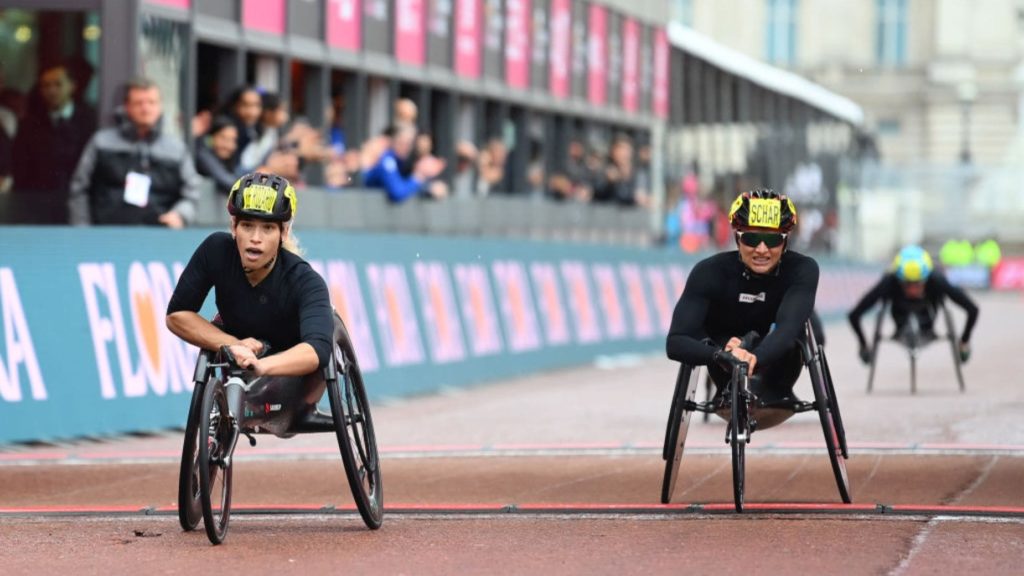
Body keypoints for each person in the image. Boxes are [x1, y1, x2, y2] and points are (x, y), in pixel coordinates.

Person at [165, 172, 335, 436]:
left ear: (283, 232)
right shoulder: (216, 251)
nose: (256, 238)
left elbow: (317, 351)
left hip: (290, 370)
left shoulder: (305, 280)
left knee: (328, 328)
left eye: (267, 228)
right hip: (239, 346)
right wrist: (231, 343)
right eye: (247, 226)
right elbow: (177, 314)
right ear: (234, 227)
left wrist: (263, 365)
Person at [666, 189, 817, 429]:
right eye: (751, 239)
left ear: (785, 241)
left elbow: (789, 327)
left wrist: (755, 357)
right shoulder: (708, 272)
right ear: (737, 238)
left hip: (779, 368)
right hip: (725, 365)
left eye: (772, 240)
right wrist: (720, 356)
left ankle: (761, 379)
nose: (761, 250)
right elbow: (676, 341)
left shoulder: (803, 270)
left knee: (791, 333)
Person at [68, 77, 199, 227]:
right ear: (127, 107)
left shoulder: (176, 149)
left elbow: (191, 193)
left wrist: (180, 215)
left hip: (160, 237)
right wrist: (81, 230)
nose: (145, 108)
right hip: (105, 235)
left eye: (151, 102)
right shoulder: (101, 142)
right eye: (138, 103)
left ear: (160, 106)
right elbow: (79, 190)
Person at [848, 244, 979, 363]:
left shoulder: (936, 280)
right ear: (899, 280)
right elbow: (854, 315)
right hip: (900, 322)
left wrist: (964, 341)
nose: (913, 289)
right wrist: (864, 344)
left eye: (917, 284)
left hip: (928, 322)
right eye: (907, 284)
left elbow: (973, 309)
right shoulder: (889, 282)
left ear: (926, 279)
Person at [11, 63, 97, 222]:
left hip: (79, 203)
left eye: (58, 84)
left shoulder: (89, 122)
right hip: (37, 204)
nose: (52, 90)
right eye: (46, 85)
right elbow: (20, 169)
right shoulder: (29, 125)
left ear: (72, 86)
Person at [363, 122, 446, 202]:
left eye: (410, 143)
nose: (406, 147)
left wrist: (429, 188)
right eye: (402, 142)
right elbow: (397, 192)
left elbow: (405, 185)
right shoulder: (387, 160)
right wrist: (418, 177)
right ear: (393, 141)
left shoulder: (401, 162)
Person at [194, 115, 239, 196]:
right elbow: (227, 182)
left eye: (232, 140)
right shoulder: (203, 155)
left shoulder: (229, 161)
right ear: (211, 138)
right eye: (223, 138)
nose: (228, 145)